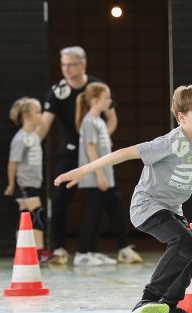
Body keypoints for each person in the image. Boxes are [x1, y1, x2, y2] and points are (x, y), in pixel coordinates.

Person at [55, 85, 192, 313]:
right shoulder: (169, 143)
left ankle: (169, 306)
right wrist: (83, 171)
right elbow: (124, 153)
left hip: (172, 210)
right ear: (182, 118)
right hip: (147, 205)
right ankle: (148, 299)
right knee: (184, 242)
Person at [38, 45, 141, 265]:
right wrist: (31, 141)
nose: (66, 69)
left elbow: (112, 119)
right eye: (63, 64)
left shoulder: (97, 88)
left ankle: (122, 247)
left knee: (109, 199)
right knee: (61, 200)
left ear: (82, 65)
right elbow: (44, 125)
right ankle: (59, 248)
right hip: (71, 154)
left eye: (71, 64)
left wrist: (101, 138)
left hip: (96, 154)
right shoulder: (58, 91)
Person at [73, 82, 134, 266]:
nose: (110, 101)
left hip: (104, 177)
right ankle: (82, 253)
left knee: (99, 214)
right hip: (94, 178)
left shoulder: (99, 121)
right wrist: (99, 174)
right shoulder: (89, 121)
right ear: (95, 100)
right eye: (107, 98)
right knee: (92, 214)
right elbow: (90, 149)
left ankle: (92, 251)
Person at [5, 97, 55, 264]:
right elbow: (13, 163)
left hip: (33, 183)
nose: (41, 115)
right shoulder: (20, 139)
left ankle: (22, 251)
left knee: (24, 216)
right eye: (38, 112)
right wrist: (12, 184)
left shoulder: (33, 136)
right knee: (38, 213)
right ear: (27, 116)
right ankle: (40, 251)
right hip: (24, 183)